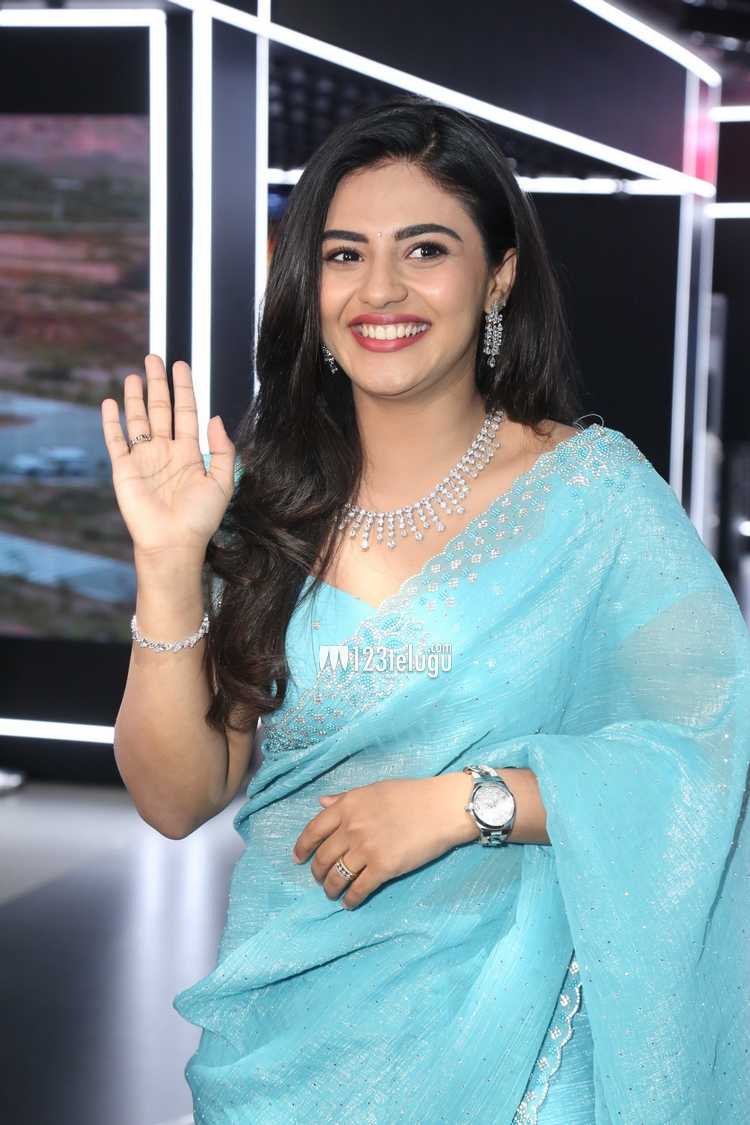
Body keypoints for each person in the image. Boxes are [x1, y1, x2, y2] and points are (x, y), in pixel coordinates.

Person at [102, 96, 750, 1124]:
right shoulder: (265, 503)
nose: (381, 290)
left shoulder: (592, 498)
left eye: (426, 249)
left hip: (523, 1060)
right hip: (282, 1049)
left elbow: (714, 757)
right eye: (344, 254)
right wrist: (169, 559)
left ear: (499, 276)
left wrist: (468, 804)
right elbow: (178, 799)